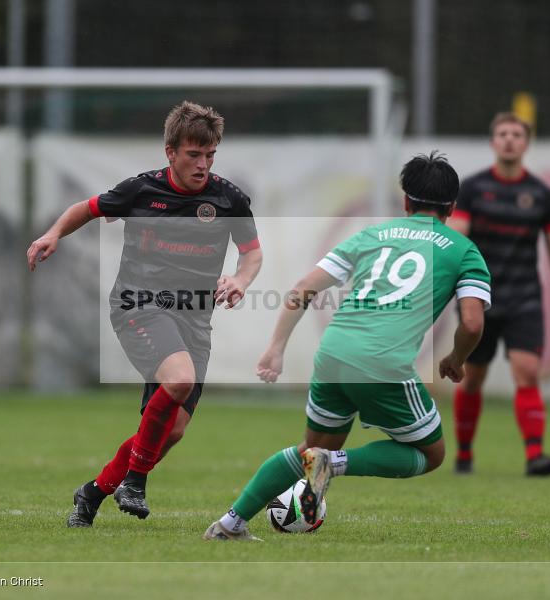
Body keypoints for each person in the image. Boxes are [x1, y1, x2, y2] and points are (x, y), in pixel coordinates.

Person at [203, 151, 491, 541]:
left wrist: (276, 348)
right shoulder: (463, 250)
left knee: (309, 449)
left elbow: (303, 289)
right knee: (430, 454)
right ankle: (334, 463)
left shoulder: (372, 235)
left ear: (406, 202)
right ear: (452, 208)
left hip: (334, 352)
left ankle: (230, 524)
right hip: (383, 364)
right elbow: (473, 322)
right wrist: (457, 359)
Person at [27, 101, 263, 527]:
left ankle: (93, 493)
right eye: (194, 154)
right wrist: (53, 233)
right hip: (138, 304)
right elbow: (89, 207)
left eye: (210, 155)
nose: (203, 164)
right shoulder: (141, 190)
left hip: (193, 318)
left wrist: (241, 280)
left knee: (170, 432)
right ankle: (135, 482)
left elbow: (252, 253)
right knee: (180, 379)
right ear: (170, 151)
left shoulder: (228, 198)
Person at [447, 112, 550, 477]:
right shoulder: (471, 189)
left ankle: (535, 456)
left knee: (528, 372)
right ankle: (464, 454)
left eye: (516, 134)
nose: (508, 140)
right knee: (472, 378)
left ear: (526, 143)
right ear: (493, 142)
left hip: (525, 299)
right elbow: (457, 243)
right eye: (502, 134)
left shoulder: (541, 195)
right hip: (479, 298)